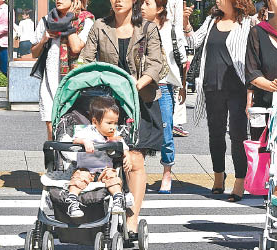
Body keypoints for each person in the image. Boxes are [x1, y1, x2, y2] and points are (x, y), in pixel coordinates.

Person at [80, 0, 164, 239]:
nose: (118, 1)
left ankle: (132, 220)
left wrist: (136, 84)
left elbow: (156, 62)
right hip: (108, 104)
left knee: (135, 160)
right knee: (103, 157)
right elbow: (86, 59)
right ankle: (100, 209)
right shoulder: (99, 26)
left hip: (141, 101)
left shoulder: (147, 28)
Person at [183, 0, 256, 202]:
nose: (217, 1)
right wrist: (186, 23)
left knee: (237, 135)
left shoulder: (248, 23)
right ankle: (218, 176)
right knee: (215, 134)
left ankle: (240, 181)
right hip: (212, 86)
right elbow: (193, 44)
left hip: (237, 87)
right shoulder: (211, 20)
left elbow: (253, 54)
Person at [141, 0, 188, 193]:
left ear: (159, 8)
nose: (142, 7)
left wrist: (183, 86)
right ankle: (138, 171)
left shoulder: (170, 29)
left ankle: (167, 173)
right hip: (142, 85)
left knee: (166, 130)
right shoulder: (137, 27)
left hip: (164, 84)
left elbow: (182, 59)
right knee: (139, 129)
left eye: (147, 3)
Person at [31, 0, 95, 141]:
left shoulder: (86, 20)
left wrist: (69, 21)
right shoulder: (47, 20)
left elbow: (77, 47)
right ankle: (54, 162)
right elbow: (34, 53)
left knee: (75, 131)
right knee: (52, 130)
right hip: (49, 83)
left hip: (75, 85)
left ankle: (70, 162)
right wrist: (43, 40)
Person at [67, 96, 132, 218]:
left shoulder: (114, 134)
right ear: (95, 122)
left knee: (113, 177)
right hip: (86, 168)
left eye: (115, 123)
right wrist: (85, 142)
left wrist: (126, 155)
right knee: (79, 178)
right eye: (109, 123)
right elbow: (75, 140)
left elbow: (123, 145)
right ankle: (72, 201)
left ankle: (117, 199)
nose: (113, 127)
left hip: (104, 169)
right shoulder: (87, 131)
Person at [171, 0, 190, 138]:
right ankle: (176, 122)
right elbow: (177, 27)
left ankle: (173, 122)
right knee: (179, 84)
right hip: (174, 45)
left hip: (172, 43)